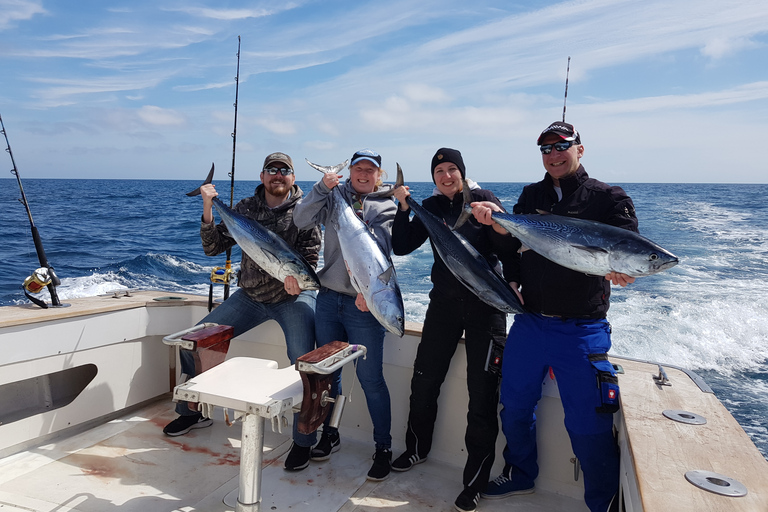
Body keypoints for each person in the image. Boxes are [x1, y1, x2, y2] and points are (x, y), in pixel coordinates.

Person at [471, 122, 637, 512]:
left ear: (581, 149)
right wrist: (509, 273)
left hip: (581, 329)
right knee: (514, 406)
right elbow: (515, 247)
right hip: (529, 323)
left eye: (562, 146)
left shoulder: (609, 198)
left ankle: (603, 501)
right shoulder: (532, 195)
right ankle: (521, 474)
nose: (554, 155)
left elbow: (628, 245)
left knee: (587, 423)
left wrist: (621, 268)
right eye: (546, 149)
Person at [162, 152, 323, 473]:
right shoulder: (245, 209)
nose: (278, 175)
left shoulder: (305, 212)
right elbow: (212, 247)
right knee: (196, 339)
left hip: (291, 298)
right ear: (263, 176)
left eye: (285, 171)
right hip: (249, 296)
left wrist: (300, 284)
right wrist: (209, 206)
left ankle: (304, 441)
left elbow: (310, 257)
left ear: (293, 178)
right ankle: (192, 409)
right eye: (272, 170)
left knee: (305, 361)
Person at [390, 148, 516, 512]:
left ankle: (475, 482)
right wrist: (403, 206)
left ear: (462, 173)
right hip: (442, 308)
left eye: (452, 170)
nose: (446, 176)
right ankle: (415, 450)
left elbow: (510, 247)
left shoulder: (485, 200)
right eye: (439, 171)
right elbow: (401, 245)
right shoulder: (429, 205)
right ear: (433, 178)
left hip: (486, 309)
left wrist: (494, 222)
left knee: (482, 395)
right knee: (424, 380)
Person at [293, 149, 397, 481]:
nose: (364, 174)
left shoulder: (388, 205)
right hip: (328, 299)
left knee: (371, 381)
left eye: (371, 170)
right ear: (350, 172)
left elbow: (378, 252)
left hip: (363, 307)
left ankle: (383, 448)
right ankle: (329, 434)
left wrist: (370, 294)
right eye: (358, 169)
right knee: (327, 376)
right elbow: (300, 219)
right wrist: (323, 187)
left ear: (379, 175)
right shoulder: (334, 196)